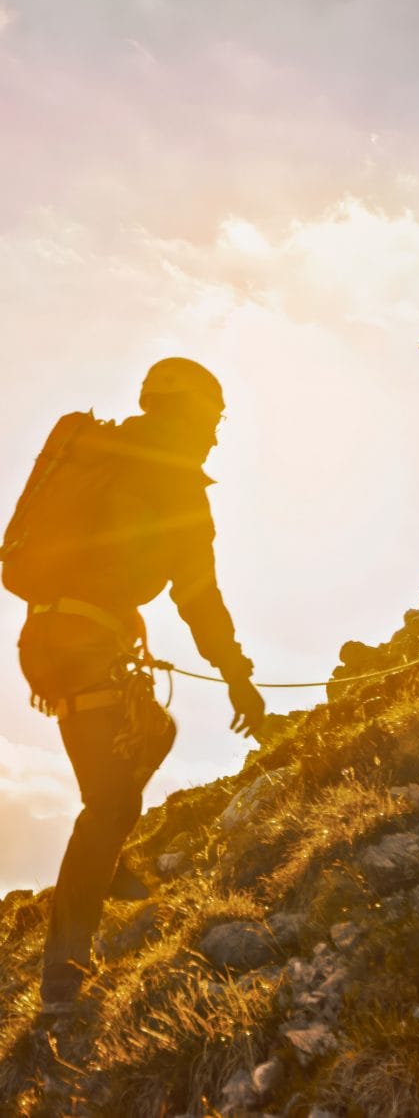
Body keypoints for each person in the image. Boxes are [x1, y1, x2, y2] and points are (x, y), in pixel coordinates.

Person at [10, 357, 265, 1012]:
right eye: (211, 421)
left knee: (155, 732)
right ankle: (62, 978)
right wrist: (237, 675)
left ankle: (109, 863)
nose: (214, 437)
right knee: (109, 804)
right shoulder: (176, 480)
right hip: (88, 645)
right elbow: (200, 597)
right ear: (188, 415)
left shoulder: (99, 449)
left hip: (44, 640)